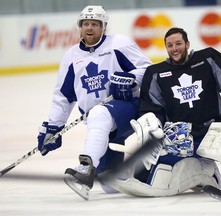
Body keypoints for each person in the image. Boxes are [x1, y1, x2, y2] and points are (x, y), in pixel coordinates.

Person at [108, 27, 221, 197]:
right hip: (180, 136)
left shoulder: (208, 58)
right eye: (170, 45)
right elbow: (152, 108)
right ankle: (205, 169)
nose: (174, 48)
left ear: (187, 44)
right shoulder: (155, 73)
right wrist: (153, 130)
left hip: (217, 129)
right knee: (149, 176)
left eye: (178, 43)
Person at [36, 5, 151, 200]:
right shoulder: (72, 56)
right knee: (110, 183)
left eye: (95, 24)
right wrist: (53, 126)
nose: (90, 28)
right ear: (80, 27)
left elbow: (147, 70)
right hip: (99, 124)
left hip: (129, 108)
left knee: (99, 113)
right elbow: (63, 96)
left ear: (103, 27)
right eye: (86, 24)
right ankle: (142, 173)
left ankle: (86, 167)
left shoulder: (119, 44)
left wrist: (130, 77)